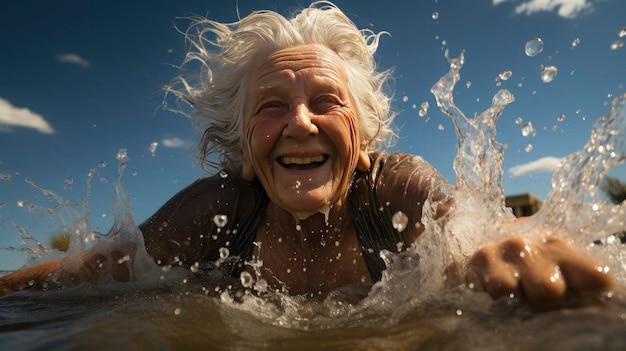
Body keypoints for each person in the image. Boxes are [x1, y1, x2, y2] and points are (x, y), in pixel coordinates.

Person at [0, 2, 618, 308]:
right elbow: (99, 266)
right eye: (271, 106)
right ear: (243, 147)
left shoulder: (393, 191)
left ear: (364, 140)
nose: (300, 123)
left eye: (326, 100)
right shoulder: (217, 210)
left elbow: (475, 235)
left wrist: (515, 247)